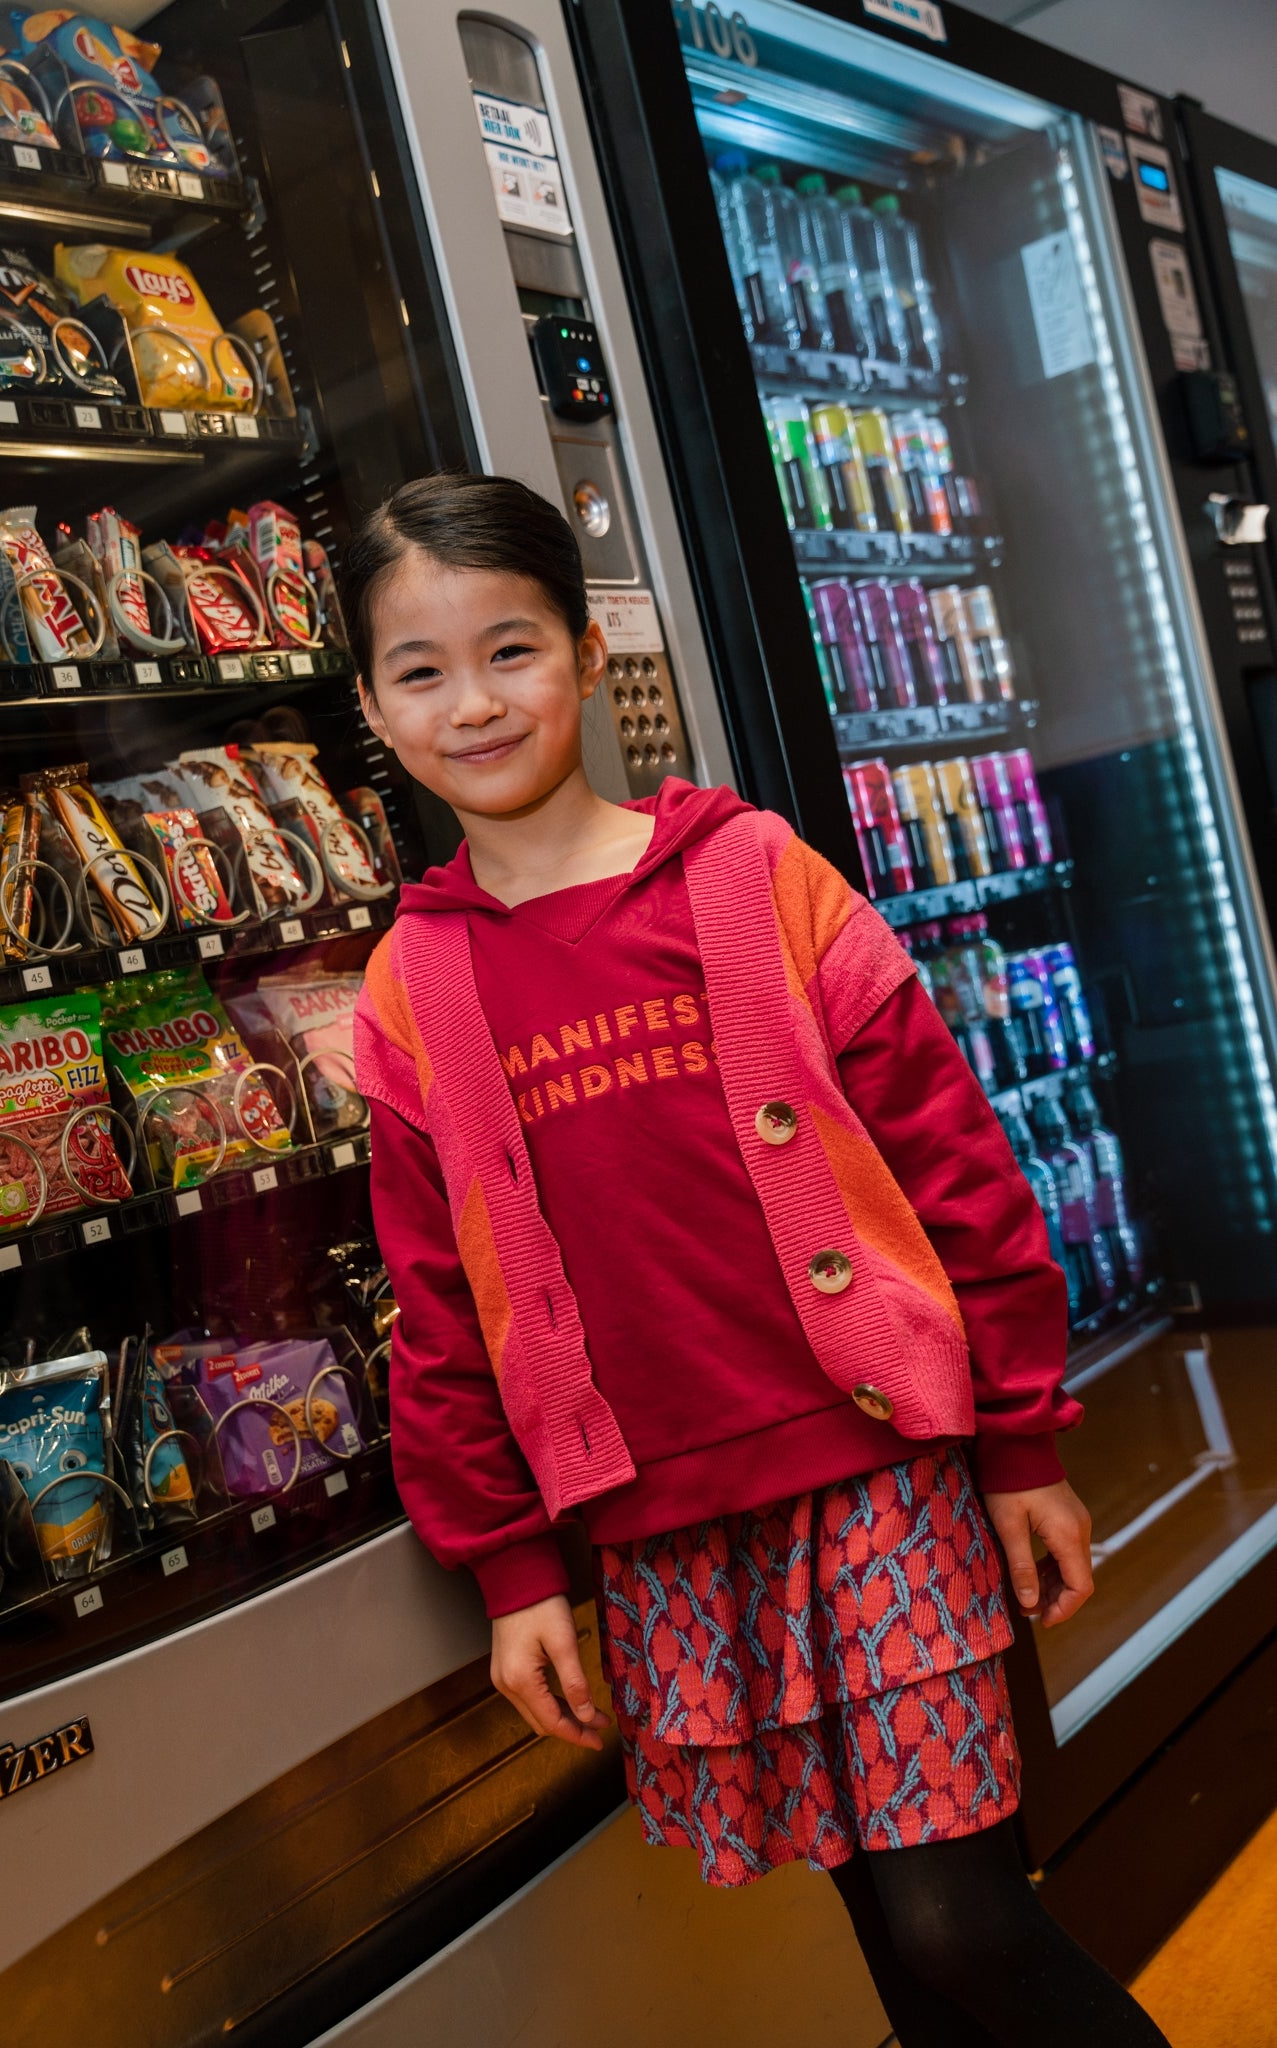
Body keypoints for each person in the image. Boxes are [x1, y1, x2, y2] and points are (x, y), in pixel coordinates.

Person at [346, 471, 1170, 2048]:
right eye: (421, 671)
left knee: (957, 1921)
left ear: (589, 655)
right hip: (667, 1531)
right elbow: (441, 1309)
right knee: (890, 1943)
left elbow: (955, 1169)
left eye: (511, 650)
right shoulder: (410, 991)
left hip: (881, 1480)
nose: (474, 703)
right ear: (373, 711)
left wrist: (1019, 1441)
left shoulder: (754, 879)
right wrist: (513, 1573)